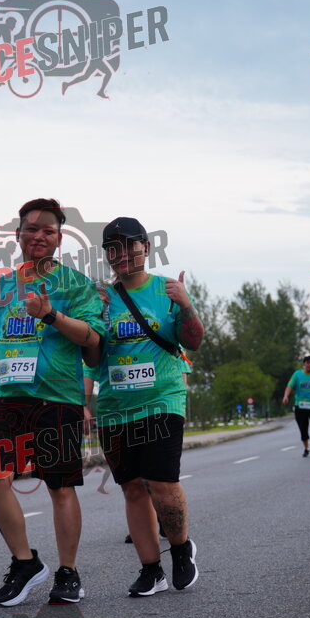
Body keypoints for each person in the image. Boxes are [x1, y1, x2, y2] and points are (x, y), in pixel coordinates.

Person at [0, 197, 104, 606]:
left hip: (57, 398)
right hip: (7, 399)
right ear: (18, 235)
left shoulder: (76, 285)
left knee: (60, 487)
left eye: (48, 230)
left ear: (59, 239)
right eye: (31, 229)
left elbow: (93, 339)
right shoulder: (1, 288)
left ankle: (68, 572)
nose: (39, 236)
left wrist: (51, 315)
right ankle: (25, 562)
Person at [86, 216, 204, 597]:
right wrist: (92, 319)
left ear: (146, 248)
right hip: (115, 408)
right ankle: (151, 570)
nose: (121, 254)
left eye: (129, 246)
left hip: (162, 400)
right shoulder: (101, 299)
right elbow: (91, 358)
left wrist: (186, 305)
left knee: (162, 483)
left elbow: (194, 341)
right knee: (133, 489)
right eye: (112, 249)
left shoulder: (166, 290)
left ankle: (181, 549)